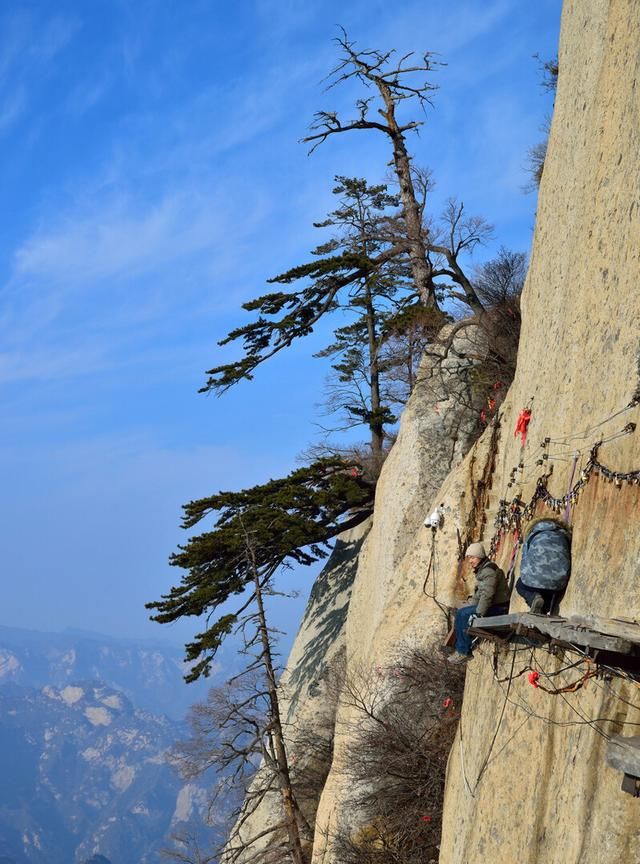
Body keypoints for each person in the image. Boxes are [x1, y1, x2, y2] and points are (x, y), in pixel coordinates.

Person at [448, 542, 510, 663]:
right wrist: (470, 606)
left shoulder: (489, 572)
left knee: (464, 615)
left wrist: (478, 613)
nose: (470, 561)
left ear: (480, 556)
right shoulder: (483, 570)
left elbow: (487, 595)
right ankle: (460, 649)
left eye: (472, 557)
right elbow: (479, 595)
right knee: (461, 612)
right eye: (469, 558)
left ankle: (464, 652)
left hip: (499, 608)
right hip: (493, 606)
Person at [515, 517, 571, 614]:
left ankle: (533, 599)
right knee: (548, 587)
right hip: (558, 582)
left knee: (520, 584)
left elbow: (525, 561)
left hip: (536, 579)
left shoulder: (532, 536)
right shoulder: (563, 535)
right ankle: (543, 608)